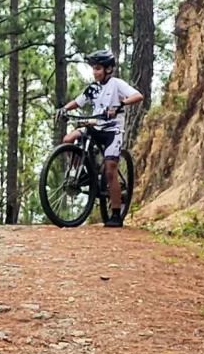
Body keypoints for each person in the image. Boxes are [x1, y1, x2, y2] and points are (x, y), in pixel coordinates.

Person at [55, 49, 144, 228]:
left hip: (112, 131)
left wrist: (121, 104)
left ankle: (116, 213)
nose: (95, 72)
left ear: (108, 69)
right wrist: (64, 109)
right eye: (93, 69)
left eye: (98, 69)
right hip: (95, 126)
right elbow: (78, 101)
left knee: (110, 170)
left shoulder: (117, 84)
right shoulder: (93, 88)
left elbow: (138, 96)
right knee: (68, 140)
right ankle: (85, 174)